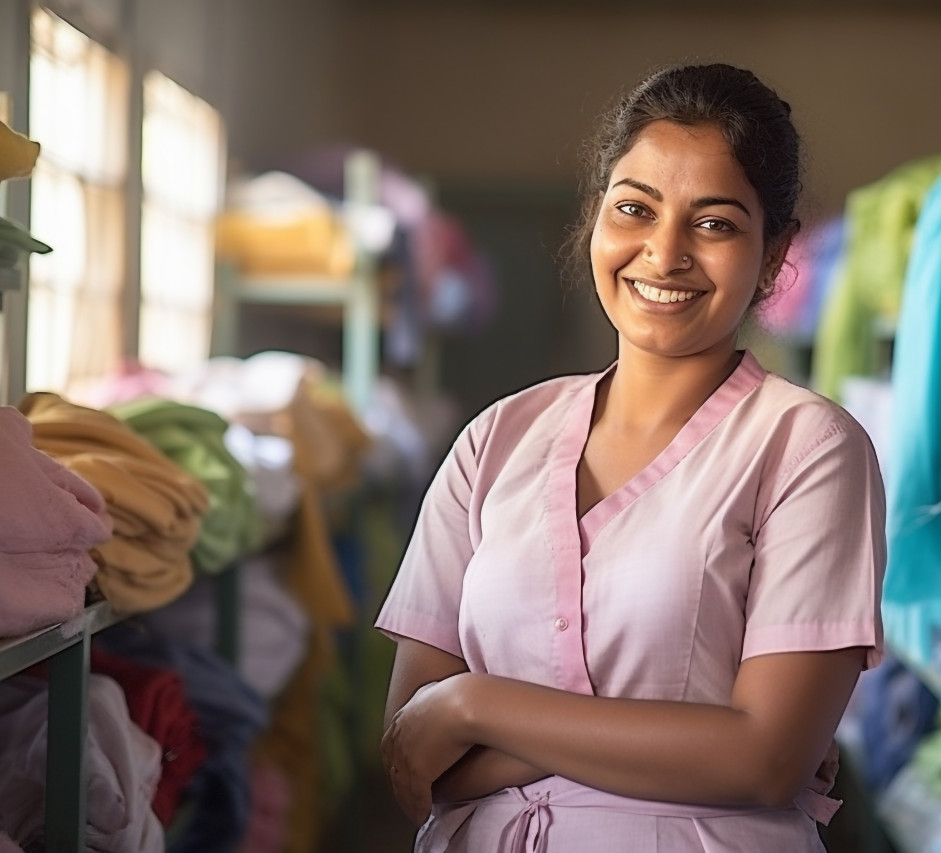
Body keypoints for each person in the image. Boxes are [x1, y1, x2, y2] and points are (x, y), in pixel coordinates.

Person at [376, 62, 886, 852]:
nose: (664, 252)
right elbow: (413, 753)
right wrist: (684, 745)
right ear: (597, 217)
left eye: (713, 223)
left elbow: (765, 759)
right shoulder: (496, 439)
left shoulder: (808, 447)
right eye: (635, 209)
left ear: (776, 250)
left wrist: (474, 706)